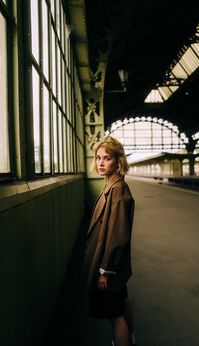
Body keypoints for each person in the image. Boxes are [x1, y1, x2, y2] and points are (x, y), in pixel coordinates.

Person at [83, 136, 136, 346]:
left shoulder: (118, 190)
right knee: (120, 303)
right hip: (110, 264)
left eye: (107, 158)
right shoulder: (111, 186)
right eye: (98, 158)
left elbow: (118, 236)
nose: (101, 162)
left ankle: (124, 340)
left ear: (118, 161)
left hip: (108, 266)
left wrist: (105, 270)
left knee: (115, 318)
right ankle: (130, 339)